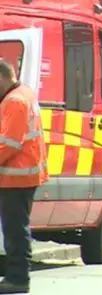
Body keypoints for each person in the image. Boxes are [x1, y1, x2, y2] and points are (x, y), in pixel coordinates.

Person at [0, 59, 48, 293]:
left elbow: (8, 144)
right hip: (20, 175)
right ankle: (16, 276)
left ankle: (18, 278)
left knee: (16, 230)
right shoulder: (24, 93)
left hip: (16, 176)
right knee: (16, 228)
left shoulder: (15, 101)